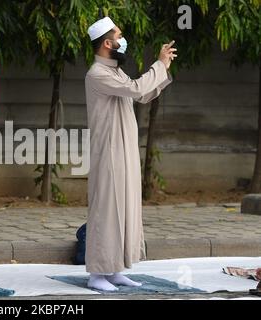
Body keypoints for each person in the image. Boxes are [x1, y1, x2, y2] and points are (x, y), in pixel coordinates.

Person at [85, 17, 177, 291]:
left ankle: (115, 269)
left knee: (125, 207)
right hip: (109, 151)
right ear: (107, 43)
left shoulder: (114, 71)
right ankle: (97, 274)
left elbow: (141, 95)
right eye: (120, 36)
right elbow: (137, 88)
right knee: (107, 210)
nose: (123, 41)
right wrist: (158, 64)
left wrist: (164, 69)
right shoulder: (97, 74)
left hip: (124, 148)